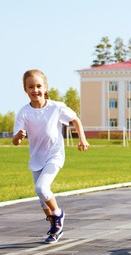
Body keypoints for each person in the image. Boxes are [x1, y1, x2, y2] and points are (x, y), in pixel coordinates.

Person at [13, 69, 90, 244]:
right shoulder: (24, 112)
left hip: (55, 155)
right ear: (25, 89)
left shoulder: (56, 107)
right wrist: (18, 136)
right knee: (42, 201)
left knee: (41, 188)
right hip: (36, 158)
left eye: (39, 86)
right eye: (31, 87)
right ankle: (55, 228)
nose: (35, 90)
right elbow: (15, 141)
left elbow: (75, 119)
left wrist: (82, 139)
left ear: (45, 87)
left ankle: (58, 215)